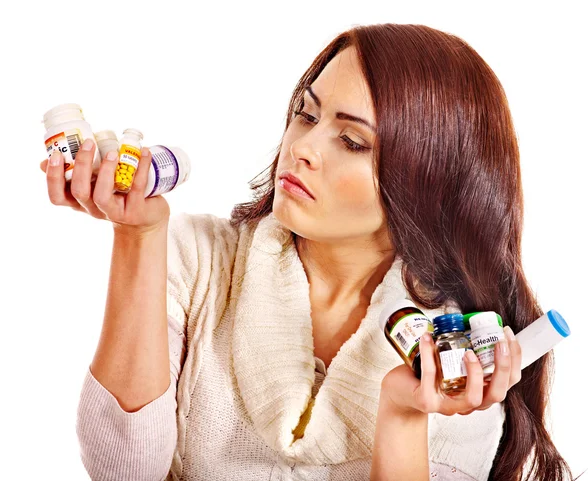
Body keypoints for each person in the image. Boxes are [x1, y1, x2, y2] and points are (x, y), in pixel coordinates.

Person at [40, 23, 575, 481]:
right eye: (308, 113)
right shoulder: (199, 260)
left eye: (352, 141)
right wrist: (138, 239)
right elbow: (123, 470)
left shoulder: (455, 355)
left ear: (429, 182)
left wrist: (403, 414)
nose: (302, 147)